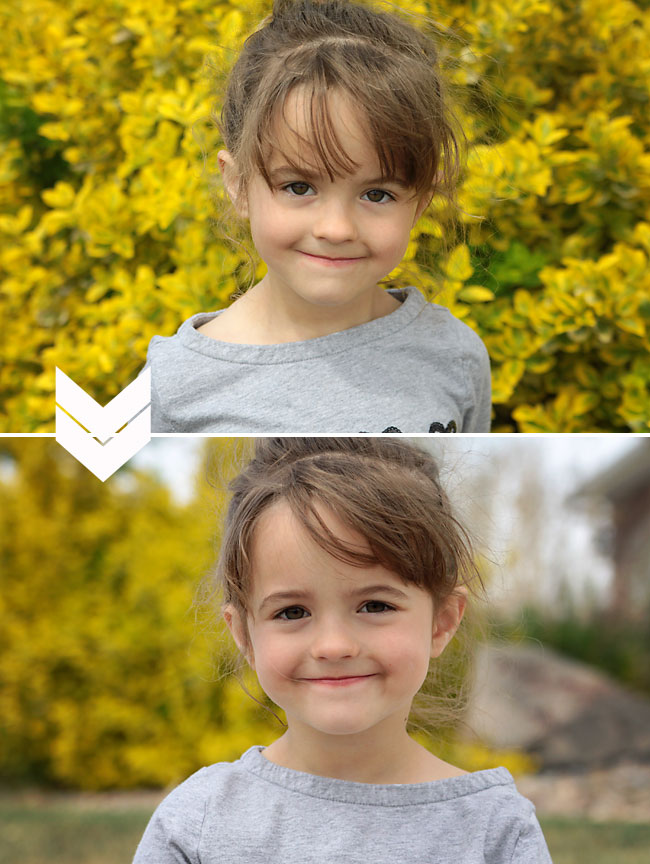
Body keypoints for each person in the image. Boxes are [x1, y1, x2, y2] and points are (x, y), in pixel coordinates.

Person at [133, 438, 552, 863]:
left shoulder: (496, 832)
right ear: (244, 635)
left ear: (441, 622)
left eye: (375, 606)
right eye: (292, 612)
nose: (334, 646)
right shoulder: (196, 824)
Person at [143, 0, 491, 432]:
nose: (336, 229)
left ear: (420, 200)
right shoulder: (173, 384)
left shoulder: (455, 354)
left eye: (377, 194)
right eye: (299, 187)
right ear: (238, 184)